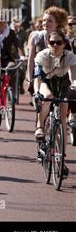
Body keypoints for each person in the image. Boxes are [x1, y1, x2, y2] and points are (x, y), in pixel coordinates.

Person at [33, 29, 76, 179]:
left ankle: (61, 160)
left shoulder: (70, 56)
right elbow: (37, 77)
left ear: (64, 44)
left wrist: (74, 85)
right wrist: (37, 92)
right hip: (46, 82)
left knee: (63, 120)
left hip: (63, 84)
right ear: (48, 43)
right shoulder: (42, 55)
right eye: (52, 42)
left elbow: (74, 75)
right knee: (47, 97)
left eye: (59, 42)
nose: (55, 45)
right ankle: (40, 126)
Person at [27, 6, 70, 94]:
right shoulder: (36, 37)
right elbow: (31, 60)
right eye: (44, 20)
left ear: (57, 24)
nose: (45, 23)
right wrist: (29, 79)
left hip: (59, 76)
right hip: (40, 76)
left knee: (63, 103)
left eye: (49, 21)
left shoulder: (64, 38)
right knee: (45, 98)